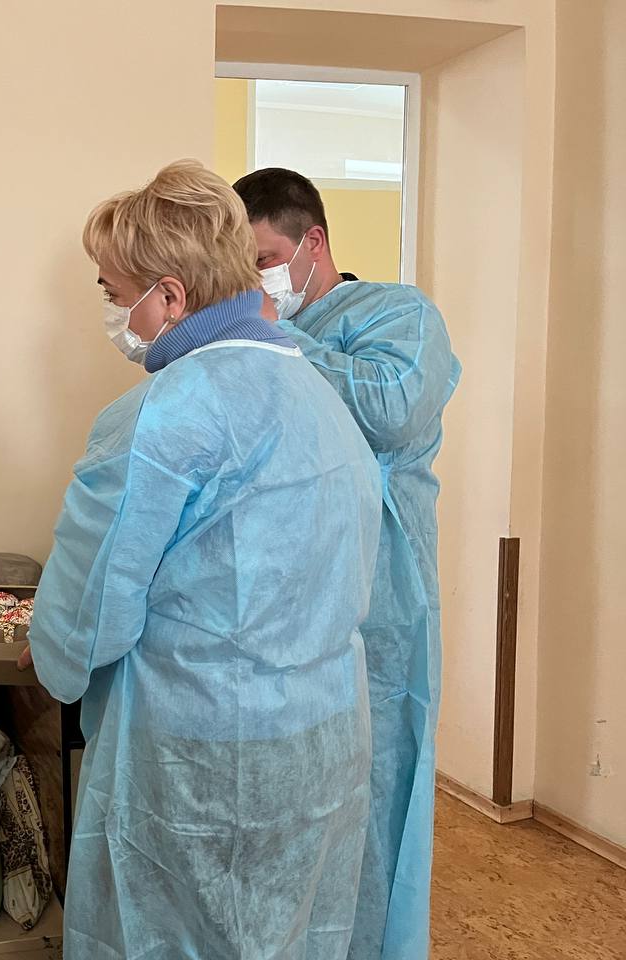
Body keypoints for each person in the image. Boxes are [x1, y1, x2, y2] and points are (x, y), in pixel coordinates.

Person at [17, 159, 382, 959]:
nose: (115, 313)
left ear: (171, 297)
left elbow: (84, 630)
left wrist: (48, 646)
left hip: (201, 763)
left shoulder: (161, 416)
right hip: (322, 743)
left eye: (115, 293)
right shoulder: (319, 395)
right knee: (293, 936)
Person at [234, 167, 461, 960]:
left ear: (314, 241)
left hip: (380, 607)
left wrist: (275, 333)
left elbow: (391, 412)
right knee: (292, 814)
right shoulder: (251, 345)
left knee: (374, 802)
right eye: (243, 269)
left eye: (265, 259)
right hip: (286, 609)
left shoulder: (400, 314)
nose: (257, 280)